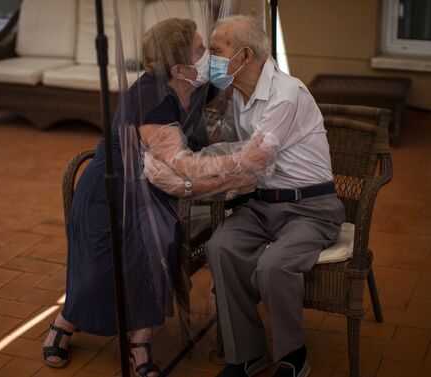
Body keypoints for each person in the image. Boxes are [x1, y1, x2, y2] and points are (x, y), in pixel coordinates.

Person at [42, 18, 269, 377]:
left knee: (156, 250)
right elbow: (184, 165)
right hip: (111, 192)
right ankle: (66, 322)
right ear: (179, 67)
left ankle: (139, 340)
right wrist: (245, 161)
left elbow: (232, 74)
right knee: (107, 266)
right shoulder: (154, 99)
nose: (207, 56)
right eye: (200, 50)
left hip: (153, 193)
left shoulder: (190, 85)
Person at [205, 15, 345, 377]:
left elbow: (254, 158)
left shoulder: (286, 93)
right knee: (220, 247)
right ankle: (248, 355)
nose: (210, 59)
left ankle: (293, 356)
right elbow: (224, 146)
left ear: (244, 55)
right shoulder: (236, 95)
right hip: (262, 205)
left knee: (274, 265)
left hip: (310, 208)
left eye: (216, 50)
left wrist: (193, 173)